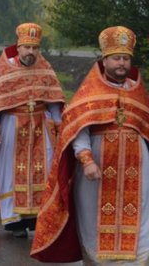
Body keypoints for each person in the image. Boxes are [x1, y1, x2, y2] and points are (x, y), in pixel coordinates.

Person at [32, 26, 149, 263]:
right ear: (104, 60)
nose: (122, 64)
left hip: (137, 168)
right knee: (93, 216)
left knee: (142, 214)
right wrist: (86, 161)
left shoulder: (138, 91)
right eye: (116, 58)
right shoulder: (89, 92)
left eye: (126, 59)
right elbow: (78, 129)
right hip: (97, 168)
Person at [0, 23, 65, 238]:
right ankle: (14, 220)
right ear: (19, 47)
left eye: (35, 48)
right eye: (27, 48)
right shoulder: (6, 68)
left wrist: (60, 124)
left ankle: (36, 216)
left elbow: (54, 99)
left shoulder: (44, 67)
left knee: (41, 171)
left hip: (40, 127)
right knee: (9, 171)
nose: (31, 52)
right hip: (11, 125)